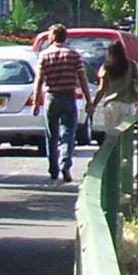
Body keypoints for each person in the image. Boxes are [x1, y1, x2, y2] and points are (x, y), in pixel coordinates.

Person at [30, 23, 90, 183]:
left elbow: (39, 80)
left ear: (53, 37)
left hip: (51, 96)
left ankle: (53, 168)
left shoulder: (44, 55)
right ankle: (65, 163)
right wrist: (89, 100)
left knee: (52, 135)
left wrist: (36, 101)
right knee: (68, 133)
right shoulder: (73, 55)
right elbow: (82, 79)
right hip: (69, 96)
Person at [90, 41, 138, 140]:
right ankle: (124, 150)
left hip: (112, 104)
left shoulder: (106, 67)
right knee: (126, 137)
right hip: (128, 104)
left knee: (111, 137)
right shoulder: (131, 65)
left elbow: (101, 89)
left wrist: (93, 104)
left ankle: (114, 150)